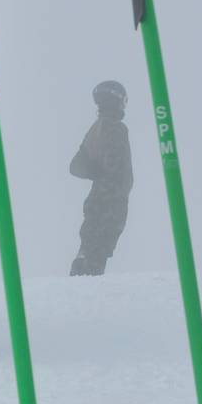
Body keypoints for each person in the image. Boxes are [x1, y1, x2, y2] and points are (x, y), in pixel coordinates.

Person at [69, 81, 133, 276]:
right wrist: (105, 176)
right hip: (110, 200)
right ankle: (87, 275)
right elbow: (114, 168)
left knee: (90, 244)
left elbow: (76, 165)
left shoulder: (96, 129)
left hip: (97, 198)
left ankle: (80, 273)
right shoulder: (116, 129)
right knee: (99, 247)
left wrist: (95, 171)